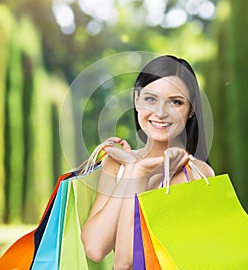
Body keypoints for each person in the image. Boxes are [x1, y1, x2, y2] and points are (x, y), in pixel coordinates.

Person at [81, 55, 215, 269]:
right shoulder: (117, 164)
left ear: (191, 109)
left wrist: (139, 173)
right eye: (151, 99)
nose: (161, 113)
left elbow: (130, 261)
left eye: (176, 102)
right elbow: (95, 248)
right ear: (136, 99)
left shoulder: (198, 174)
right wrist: (134, 169)